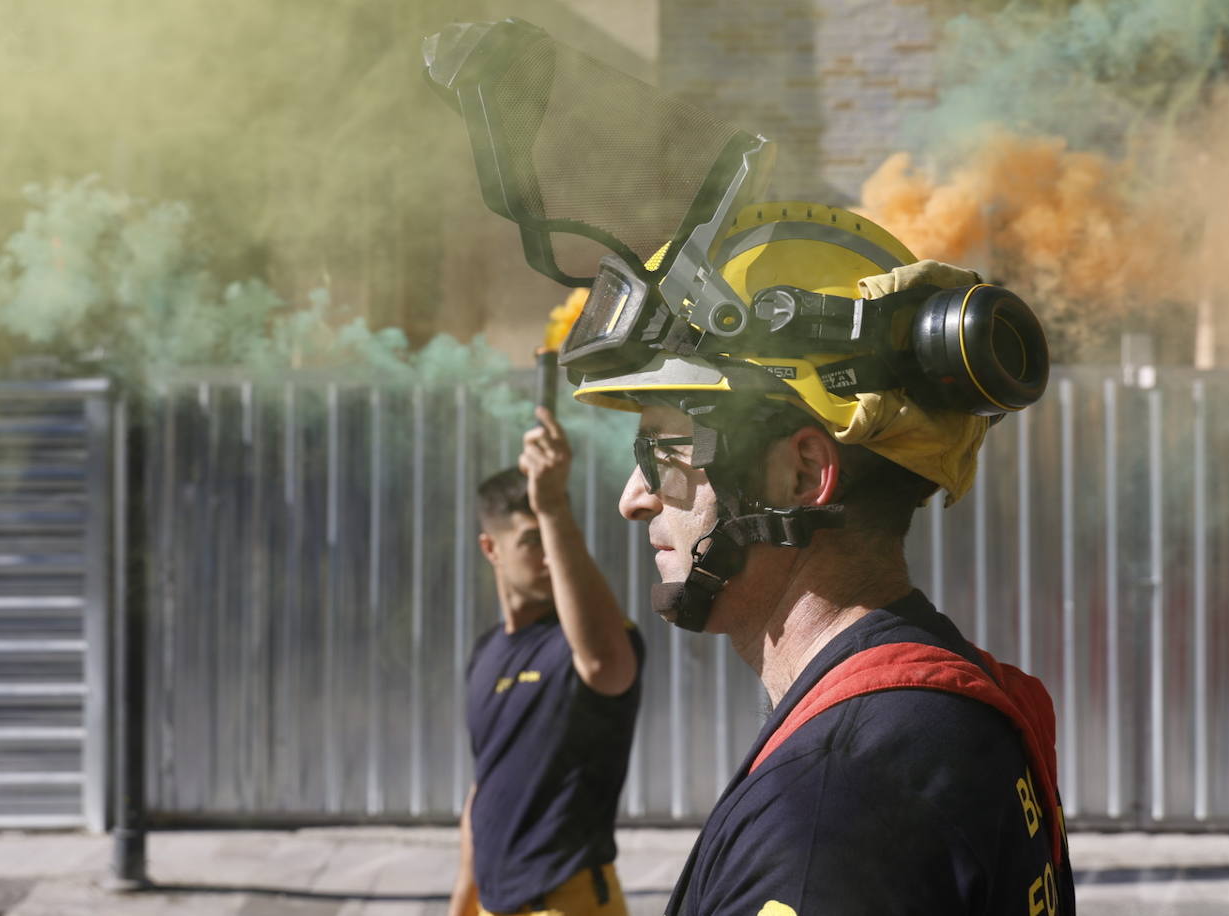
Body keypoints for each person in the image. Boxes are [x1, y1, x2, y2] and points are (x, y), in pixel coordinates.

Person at [563, 202, 1075, 915]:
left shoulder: (838, 804)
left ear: (802, 474)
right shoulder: (932, 719)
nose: (634, 498)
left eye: (664, 448)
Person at [451, 407, 644, 916]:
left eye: (551, 539)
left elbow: (605, 663)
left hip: (567, 901)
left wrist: (554, 506)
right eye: (532, 542)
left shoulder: (585, 641)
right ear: (490, 548)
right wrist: (462, 900)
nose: (548, 557)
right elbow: (484, 789)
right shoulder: (486, 652)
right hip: (493, 903)